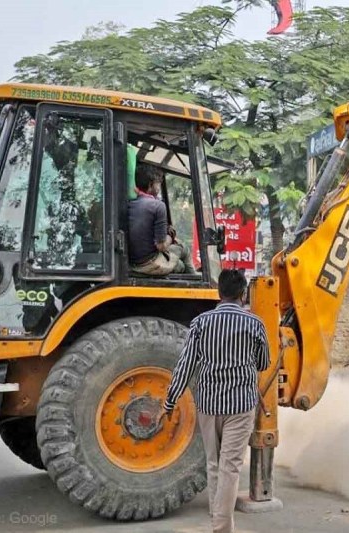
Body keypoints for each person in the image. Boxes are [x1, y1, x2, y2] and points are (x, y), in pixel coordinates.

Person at [163, 269, 270, 533]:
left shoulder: (200, 323)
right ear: (243, 294)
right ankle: (221, 527)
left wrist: (170, 401)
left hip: (208, 405)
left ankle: (217, 514)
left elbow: (185, 365)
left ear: (219, 293)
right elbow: (264, 362)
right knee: (230, 467)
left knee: (214, 464)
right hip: (241, 406)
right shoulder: (255, 324)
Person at [128, 162, 193, 276]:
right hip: (149, 264)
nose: (159, 187)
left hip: (134, 262)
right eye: (158, 184)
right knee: (183, 253)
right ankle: (197, 280)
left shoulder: (130, 204)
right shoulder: (158, 206)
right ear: (150, 184)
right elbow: (161, 246)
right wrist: (170, 235)